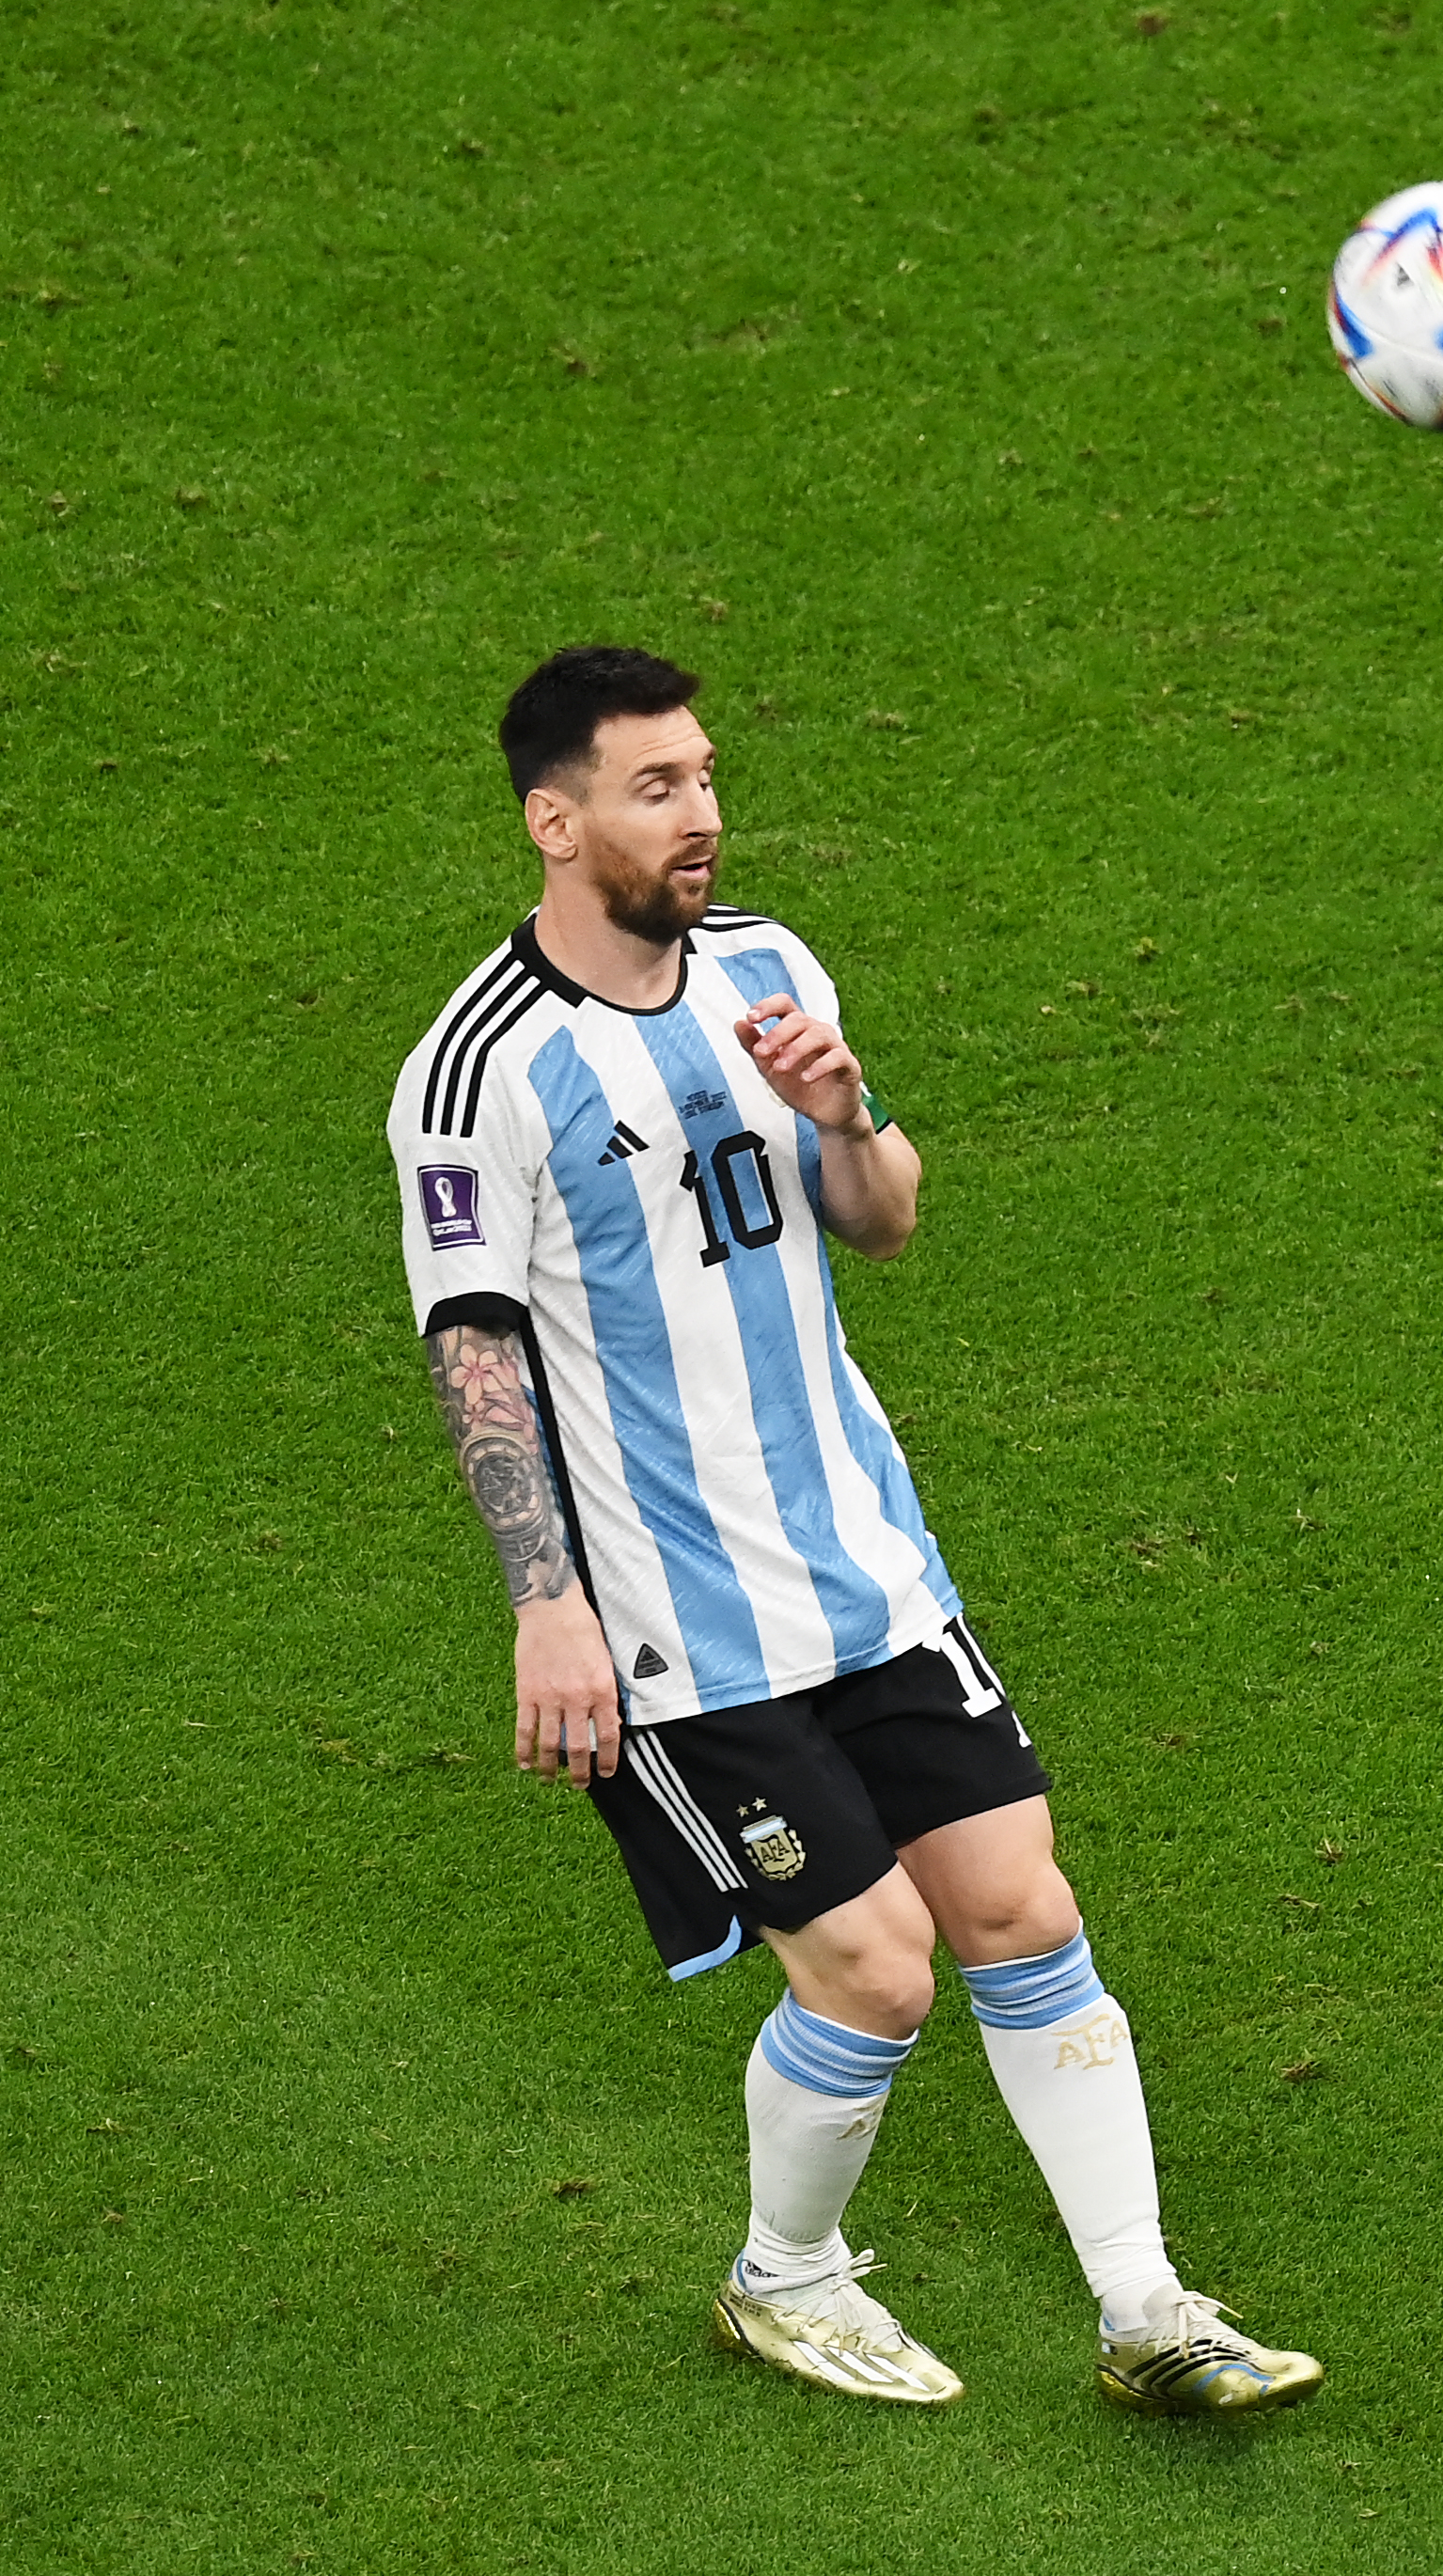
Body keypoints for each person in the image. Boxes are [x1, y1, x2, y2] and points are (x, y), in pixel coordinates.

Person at [385, 645, 1321, 2415]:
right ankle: (784, 2277)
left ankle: (1146, 2312)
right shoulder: (479, 1073)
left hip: (868, 1569)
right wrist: (546, 1606)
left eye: (707, 777)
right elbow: (476, 1350)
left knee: (1022, 1911)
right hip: (677, 1627)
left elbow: (879, 1223)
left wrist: (846, 1114)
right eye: (656, 789)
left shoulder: (768, 965)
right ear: (553, 818)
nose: (703, 816)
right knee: (880, 1971)